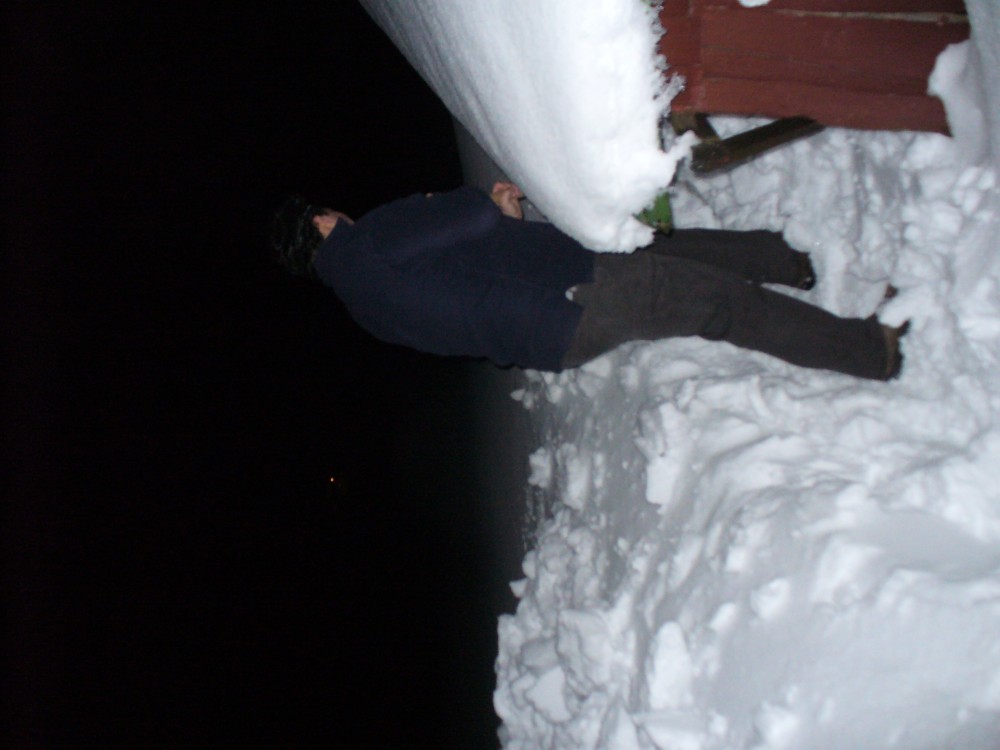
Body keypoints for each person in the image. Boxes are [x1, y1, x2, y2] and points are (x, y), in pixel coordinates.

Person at [269, 182, 906, 380]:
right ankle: (868, 350)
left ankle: (787, 260)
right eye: (326, 209)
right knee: (721, 307)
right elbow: (469, 216)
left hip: (553, 335)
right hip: (571, 292)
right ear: (320, 223)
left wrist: (499, 232)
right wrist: (492, 207)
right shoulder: (368, 238)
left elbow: (452, 299)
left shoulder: (364, 309)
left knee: (664, 250)